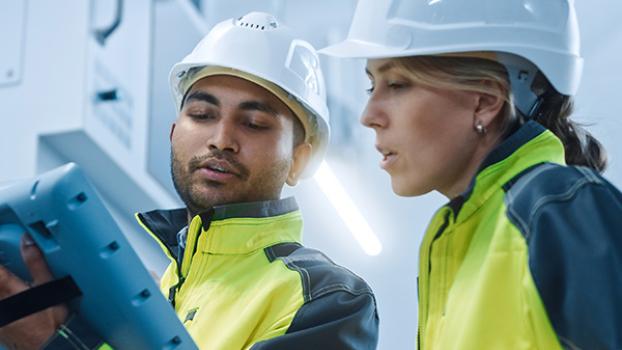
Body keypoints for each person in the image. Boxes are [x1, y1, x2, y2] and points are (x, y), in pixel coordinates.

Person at [0, 12, 379, 350]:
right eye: (201, 114)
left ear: (299, 160)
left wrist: (57, 342)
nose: (221, 139)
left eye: (254, 124)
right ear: (172, 134)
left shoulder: (330, 300)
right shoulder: (158, 295)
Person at [321, 0, 622, 349]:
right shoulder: (455, 240)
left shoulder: (557, 207)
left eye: (398, 84)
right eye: (372, 86)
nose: (368, 115)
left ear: (485, 101)